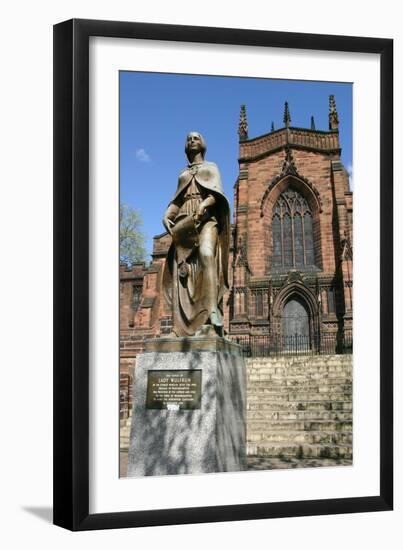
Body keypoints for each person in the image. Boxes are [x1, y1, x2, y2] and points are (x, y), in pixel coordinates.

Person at [162, 132, 230, 337]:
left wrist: (203, 205)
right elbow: (177, 200)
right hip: (184, 222)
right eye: (189, 139)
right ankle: (179, 328)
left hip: (207, 219)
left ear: (203, 144)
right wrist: (167, 214)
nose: (192, 140)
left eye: (196, 138)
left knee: (207, 255)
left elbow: (216, 196)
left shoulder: (211, 168)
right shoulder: (183, 173)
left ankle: (211, 315)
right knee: (181, 271)